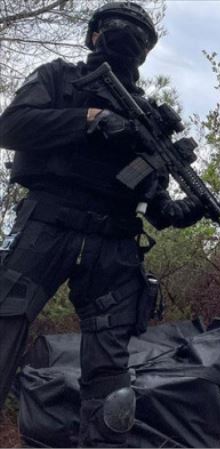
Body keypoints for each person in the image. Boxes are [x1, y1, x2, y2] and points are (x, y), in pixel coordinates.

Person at [0, 2, 204, 446]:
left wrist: (183, 212)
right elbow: (11, 126)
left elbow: (156, 207)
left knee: (112, 384)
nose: (125, 40)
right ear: (93, 36)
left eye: (139, 36)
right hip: (47, 222)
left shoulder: (148, 121)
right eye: (117, 29)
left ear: (147, 53)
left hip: (113, 241)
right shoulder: (60, 77)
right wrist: (91, 119)